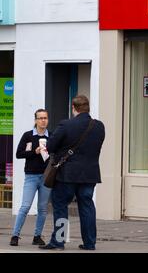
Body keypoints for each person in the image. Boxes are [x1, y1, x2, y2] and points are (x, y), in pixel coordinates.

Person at [40, 95, 105, 251]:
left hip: (67, 174)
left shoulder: (66, 125)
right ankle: (90, 243)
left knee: (61, 206)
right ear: (88, 108)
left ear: (73, 108)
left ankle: (59, 242)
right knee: (87, 206)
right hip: (90, 174)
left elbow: (51, 145)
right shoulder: (99, 126)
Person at [10, 109, 51, 246]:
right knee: (25, 206)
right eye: (40, 118)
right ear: (35, 120)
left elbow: (56, 154)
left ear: (48, 120)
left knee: (43, 208)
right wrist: (34, 152)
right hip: (31, 176)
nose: (43, 120)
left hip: (46, 176)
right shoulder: (28, 136)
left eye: (45, 118)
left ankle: (37, 236)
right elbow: (18, 154)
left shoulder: (51, 136)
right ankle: (15, 235)